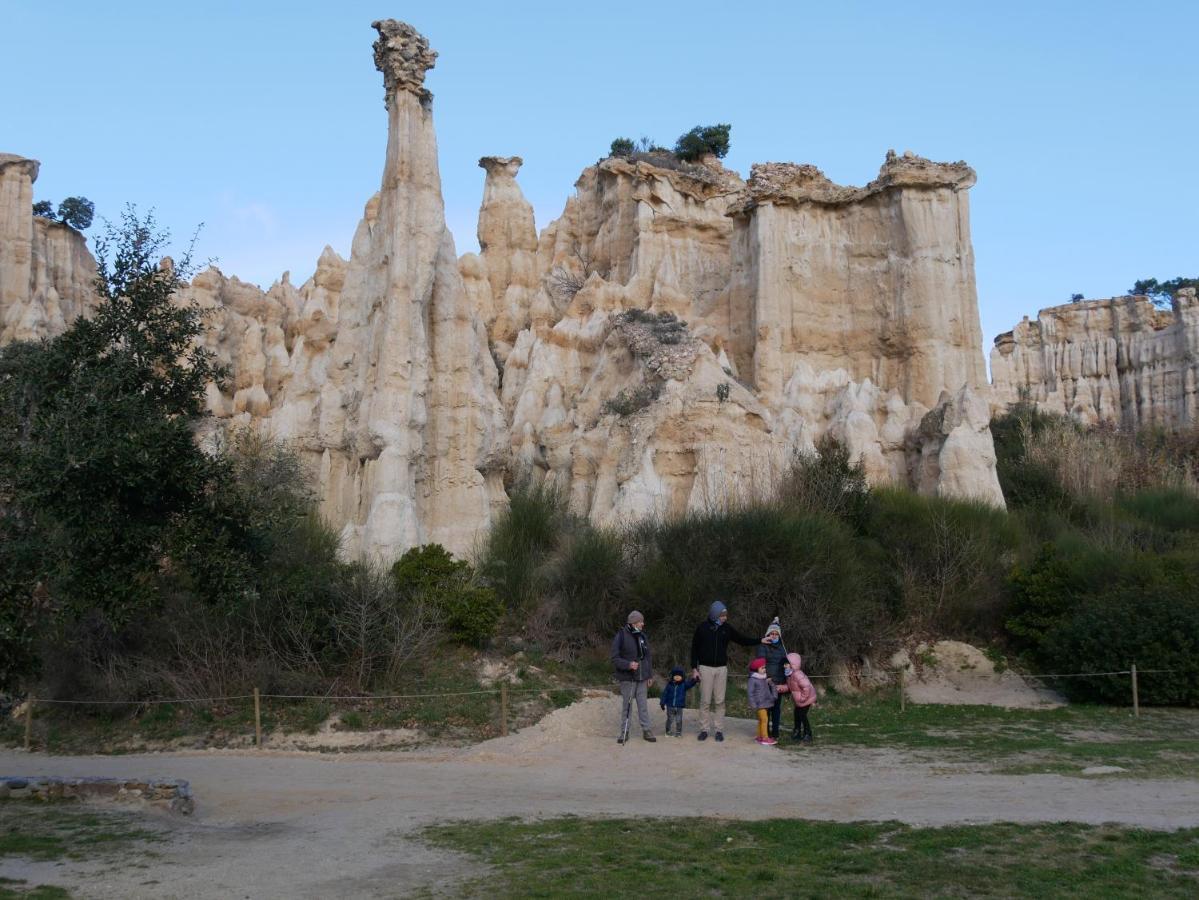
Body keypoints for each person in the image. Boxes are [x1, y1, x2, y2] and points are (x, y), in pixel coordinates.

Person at [689, 600, 762, 742]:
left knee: (720, 701)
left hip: (721, 669)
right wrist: (694, 668)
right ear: (715, 614)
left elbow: (742, 640)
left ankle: (718, 730)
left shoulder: (726, 629)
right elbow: (694, 649)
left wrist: (760, 640)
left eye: (726, 615)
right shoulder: (702, 628)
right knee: (705, 701)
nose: (725, 618)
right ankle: (704, 729)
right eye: (722, 615)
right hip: (705, 668)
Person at [611, 610, 656, 743]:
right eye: (641, 621)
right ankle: (624, 732)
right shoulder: (621, 636)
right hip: (627, 678)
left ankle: (647, 730)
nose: (643, 624)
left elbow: (648, 657)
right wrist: (628, 664)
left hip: (643, 677)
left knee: (643, 705)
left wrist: (650, 675)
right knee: (628, 706)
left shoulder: (642, 636)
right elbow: (614, 658)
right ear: (634, 623)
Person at [777, 651, 817, 743]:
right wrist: (781, 688)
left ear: (793, 664)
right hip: (799, 701)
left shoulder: (798, 674)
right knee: (797, 715)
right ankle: (797, 732)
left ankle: (808, 734)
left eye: (786, 664)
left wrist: (802, 698)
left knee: (802, 715)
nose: (784, 666)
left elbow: (806, 686)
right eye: (784, 664)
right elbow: (790, 687)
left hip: (806, 699)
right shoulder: (789, 675)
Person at [761, 617, 789, 740]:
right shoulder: (763, 646)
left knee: (776, 709)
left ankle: (775, 732)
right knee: (766, 708)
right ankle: (765, 732)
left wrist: (787, 667)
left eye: (776, 633)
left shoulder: (783, 648)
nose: (773, 635)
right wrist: (764, 677)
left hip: (778, 683)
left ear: (779, 635)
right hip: (766, 682)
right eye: (771, 633)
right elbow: (760, 662)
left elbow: (786, 662)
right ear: (768, 634)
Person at [658, 666, 700, 737]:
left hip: (679, 706)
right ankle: (667, 731)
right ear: (673, 676)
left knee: (679, 720)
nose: (677, 677)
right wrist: (662, 703)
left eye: (679, 676)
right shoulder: (669, 685)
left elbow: (690, 684)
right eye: (675, 675)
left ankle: (678, 732)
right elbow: (665, 694)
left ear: (682, 676)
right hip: (670, 706)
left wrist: (695, 680)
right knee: (670, 719)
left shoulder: (684, 685)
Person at [747, 658, 777, 745]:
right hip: (759, 704)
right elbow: (750, 692)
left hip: (765, 702)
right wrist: (753, 704)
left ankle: (759, 736)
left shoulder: (763, 678)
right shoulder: (752, 679)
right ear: (757, 669)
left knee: (761, 720)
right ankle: (765, 738)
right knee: (764, 719)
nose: (765, 669)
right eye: (762, 668)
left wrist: (769, 683)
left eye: (765, 667)